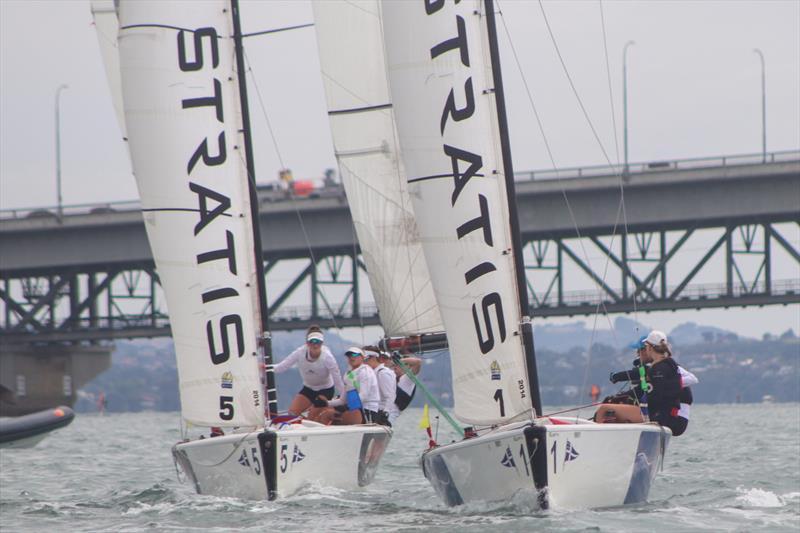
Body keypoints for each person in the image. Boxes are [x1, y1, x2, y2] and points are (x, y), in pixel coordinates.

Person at [594, 330, 689, 436]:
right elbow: (652, 390)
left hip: (660, 417)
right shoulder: (670, 365)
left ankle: (595, 440)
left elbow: (655, 397)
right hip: (667, 416)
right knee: (615, 411)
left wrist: (637, 401)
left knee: (604, 409)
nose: (638, 353)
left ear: (648, 347)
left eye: (640, 350)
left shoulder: (658, 369)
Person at [272, 326, 345, 418]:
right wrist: (263, 367)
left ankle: (326, 410)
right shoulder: (300, 352)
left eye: (318, 342)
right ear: (307, 343)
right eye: (312, 341)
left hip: (325, 390)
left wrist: (344, 399)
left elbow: (338, 381)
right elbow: (280, 367)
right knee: (291, 414)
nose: (315, 345)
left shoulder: (328, 357)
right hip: (308, 389)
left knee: (312, 416)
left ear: (322, 343)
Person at [318, 347, 379, 425]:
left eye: (355, 354)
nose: (351, 357)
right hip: (353, 408)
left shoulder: (365, 371)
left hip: (367, 411)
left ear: (362, 357)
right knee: (323, 411)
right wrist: (326, 403)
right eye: (349, 355)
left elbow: (363, 396)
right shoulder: (348, 374)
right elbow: (342, 400)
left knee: (329, 415)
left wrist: (347, 407)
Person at [385, 355, 422, 426]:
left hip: (388, 417)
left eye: (398, 365)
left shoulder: (407, 380)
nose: (395, 367)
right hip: (381, 414)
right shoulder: (392, 377)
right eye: (394, 366)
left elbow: (418, 362)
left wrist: (400, 361)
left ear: (408, 367)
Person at [364, 349, 397, 426]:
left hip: (379, 412)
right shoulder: (372, 372)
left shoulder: (382, 373)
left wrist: (385, 413)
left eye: (365, 359)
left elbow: (390, 396)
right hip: (371, 410)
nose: (363, 363)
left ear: (373, 358)